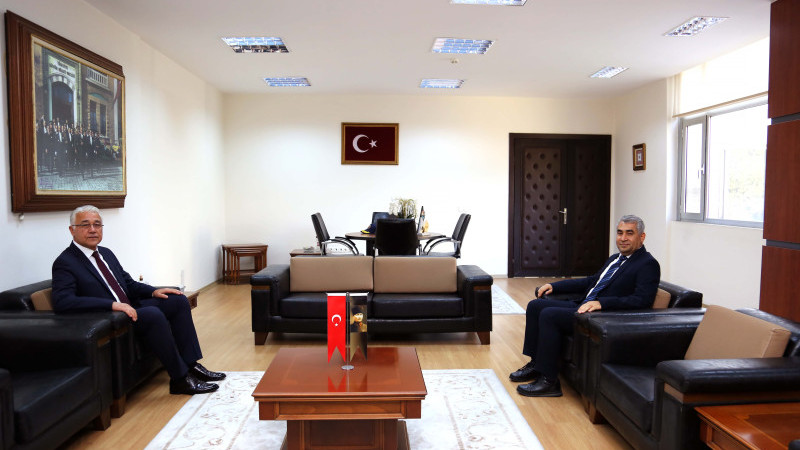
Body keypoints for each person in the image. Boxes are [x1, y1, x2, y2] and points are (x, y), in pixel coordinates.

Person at [52, 205, 225, 395]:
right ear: (72, 230)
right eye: (85, 225)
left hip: (131, 307)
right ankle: (180, 379)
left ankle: (191, 364)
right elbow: (63, 302)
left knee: (177, 300)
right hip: (111, 317)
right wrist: (112, 305)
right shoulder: (65, 262)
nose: (93, 230)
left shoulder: (106, 253)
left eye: (97, 224)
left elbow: (128, 283)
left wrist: (154, 291)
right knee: (152, 314)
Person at [510, 214, 660, 397]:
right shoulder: (615, 258)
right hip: (583, 305)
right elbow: (591, 281)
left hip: (601, 316)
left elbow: (642, 300)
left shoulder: (648, 264)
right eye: (620, 233)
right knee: (535, 306)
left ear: (641, 237)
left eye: (629, 233)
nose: (623, 238)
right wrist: (554, 286)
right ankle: (537, 364)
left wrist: (602, 303)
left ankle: (549, 381)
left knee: (550, 315)